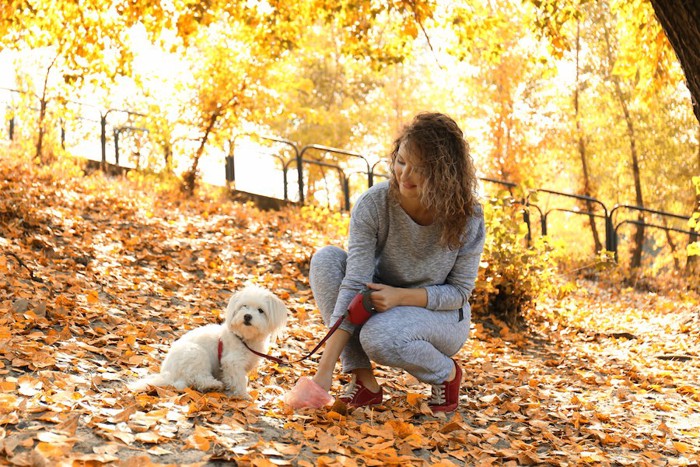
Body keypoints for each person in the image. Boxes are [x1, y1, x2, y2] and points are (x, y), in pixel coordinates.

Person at [307, 112, 486, 413]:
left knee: (378, 336)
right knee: (326, 260)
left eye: (419, 169)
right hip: (380, 301)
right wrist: (322, 374)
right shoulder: (374, 204)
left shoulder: (468, 216)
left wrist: (401, 296)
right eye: (401, 161)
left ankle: (447, 374)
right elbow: (354, 284)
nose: (404, 175)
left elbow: (459, 293)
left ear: (445, 173)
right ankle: (364, 383)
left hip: (441, 315)